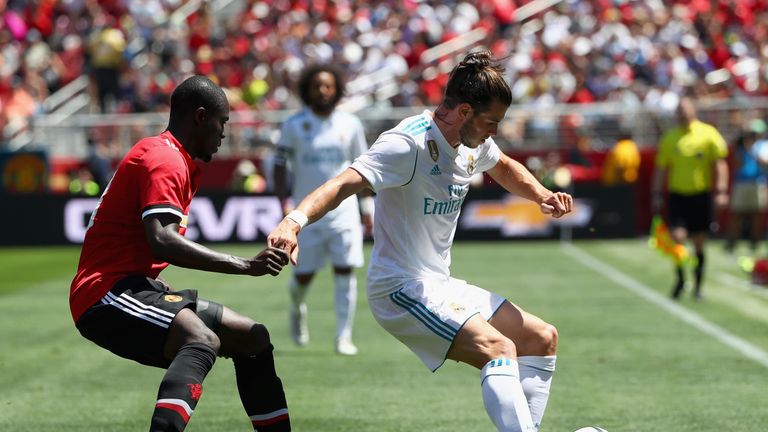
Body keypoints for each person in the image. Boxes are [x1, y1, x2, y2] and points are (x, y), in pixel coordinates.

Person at [268, 51, 573, 432]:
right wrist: (293, 221)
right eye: (491, 122)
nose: (495, 130)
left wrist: (542, 195)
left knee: (542, 338)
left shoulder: (473, 143)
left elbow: (505, 167)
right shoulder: (407, 144)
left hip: (439, 284)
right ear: (464, 112)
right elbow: (343, 183)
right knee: (501, 349)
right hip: (399, 288)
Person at [70, 76, 292, 432]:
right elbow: (162, 239)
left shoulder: (168, 156)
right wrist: (245, 265)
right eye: (223, 123)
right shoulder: (165, 160)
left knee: (253, 338)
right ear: (201, 117)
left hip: (133, 286)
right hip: (104, 294)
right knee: (201, 339)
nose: (224, 134)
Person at [272, 64, 372, 356]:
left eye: (328, 86)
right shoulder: (294, 125)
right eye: (317, 86)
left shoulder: (350, 125)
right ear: (307, 90)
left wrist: (367, 207)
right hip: (307, 215)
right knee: (303, 276)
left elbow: (363, 169)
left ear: (336, 89)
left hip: (345, 212)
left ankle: (344, 336)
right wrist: (284, 203)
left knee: (345, 271)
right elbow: (279, 165)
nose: (323, 91)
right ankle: (297, 307)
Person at [652, 96, 729, 300]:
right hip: (678, 195)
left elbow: (720, 163)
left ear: (693, 110)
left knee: (699, 242)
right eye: (679, 110)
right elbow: (661, 168)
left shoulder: (708, 134)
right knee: (677, 238)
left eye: (685, 109)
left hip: (700, 196)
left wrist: (721, 191)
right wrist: (657, 193)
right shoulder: (670, 138)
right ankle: (680, 279)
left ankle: (698, 286)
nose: (682, 113)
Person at [725, 124, 768, 255]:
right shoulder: (741, 147)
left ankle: (754, 244)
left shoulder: (763, 146)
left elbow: (764, 162)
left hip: (757, 183)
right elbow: (738, 163)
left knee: (756, 215)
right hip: (741, 183)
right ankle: (731, 243)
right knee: (737, 214)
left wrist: (754, 152)